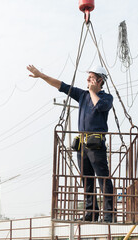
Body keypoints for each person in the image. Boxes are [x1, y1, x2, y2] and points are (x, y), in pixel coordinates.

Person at [27, 64, 115, 223]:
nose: (87, 78)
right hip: (82, 147)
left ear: (100, 80)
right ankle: (91, 213)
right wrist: (41, 75)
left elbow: (100, 106)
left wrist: (93, 92)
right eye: (88, 76)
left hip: (96, 147)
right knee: (87, 181)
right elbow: (61, 85)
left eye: (91, 77)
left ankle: (109, 214)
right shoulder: (82, 95)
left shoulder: (106, 98)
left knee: (103, 179)